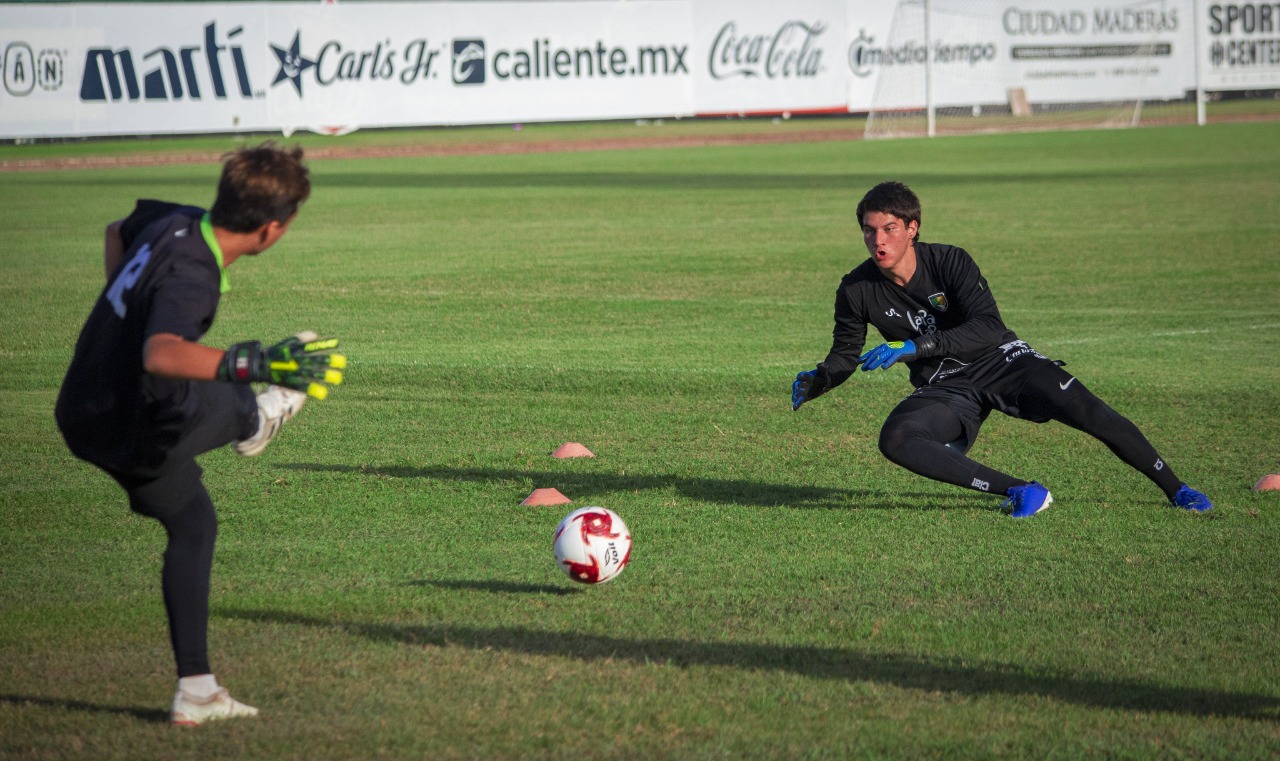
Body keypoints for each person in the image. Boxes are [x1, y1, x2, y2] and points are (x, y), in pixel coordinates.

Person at [55, 143, 346, 725]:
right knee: (231, 395)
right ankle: (257, 419)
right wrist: (252, 364)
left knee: (194, 523)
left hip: (81, 407)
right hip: (132, 423)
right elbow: (163, 354)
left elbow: (117, 230)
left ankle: (198, 691)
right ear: (270, 230)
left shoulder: (174, 219)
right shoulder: (193, 274)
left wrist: (129, 309)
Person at [791, 181, 1210, 517]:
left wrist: (916, 346)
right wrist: (821, 380)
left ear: (912, 228)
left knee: (1087, 409)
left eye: (889, 229)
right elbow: (845, 354)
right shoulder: (856, 288)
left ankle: (1178, 489)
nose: (877, 240)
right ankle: (1022, 490)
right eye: (869, 230)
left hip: (1003, 360)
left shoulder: (950, 261)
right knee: (897, 438)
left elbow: (988, 327)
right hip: (947, 384)